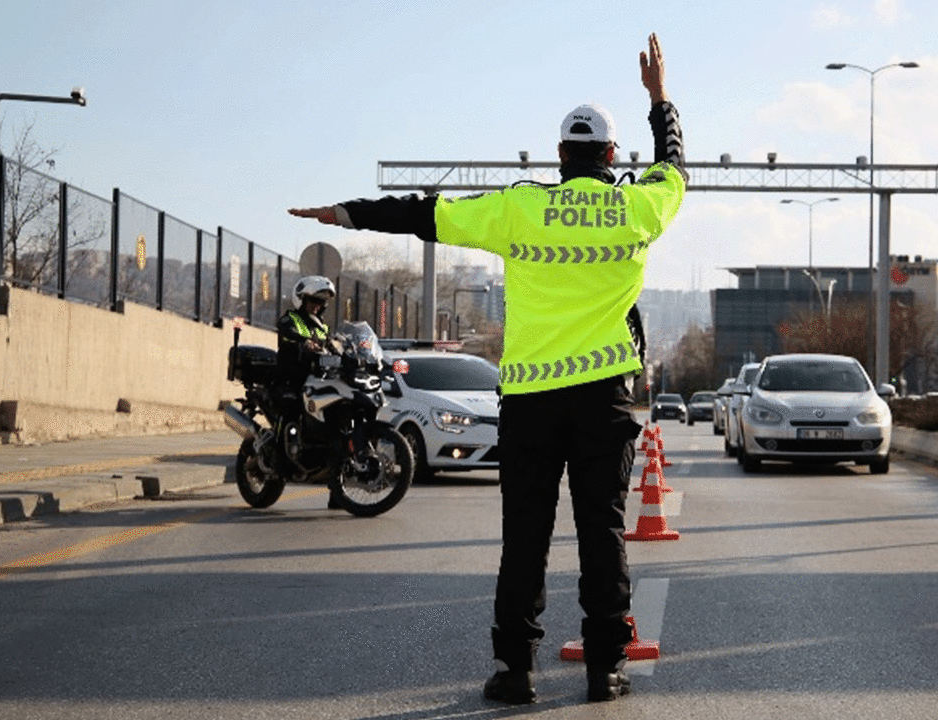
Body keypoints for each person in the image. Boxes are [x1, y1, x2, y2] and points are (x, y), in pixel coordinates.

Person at [288, 33, 685, 704]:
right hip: (603, 401)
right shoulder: (638, 206)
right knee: (603, 531)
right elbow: (676, 166)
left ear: (561, 156)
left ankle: (515, 672)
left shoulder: (520, 205)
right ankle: (605, 668)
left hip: (531, 401)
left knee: (524, 539)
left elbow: (424, 214)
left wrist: (345, 213)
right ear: (613, 158)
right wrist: (660, 99)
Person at [275, 275, 341, 508]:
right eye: (313, 300)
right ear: (301, 299)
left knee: (336, 430)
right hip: (291, 380)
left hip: (317, 383)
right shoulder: (289, 318)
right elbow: (288, 331)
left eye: (321, 302)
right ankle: (279, 460)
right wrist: (304, 342)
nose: (317, 306)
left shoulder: (323, 327)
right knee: (290, 410)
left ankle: (337, 492)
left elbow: (333, 346)